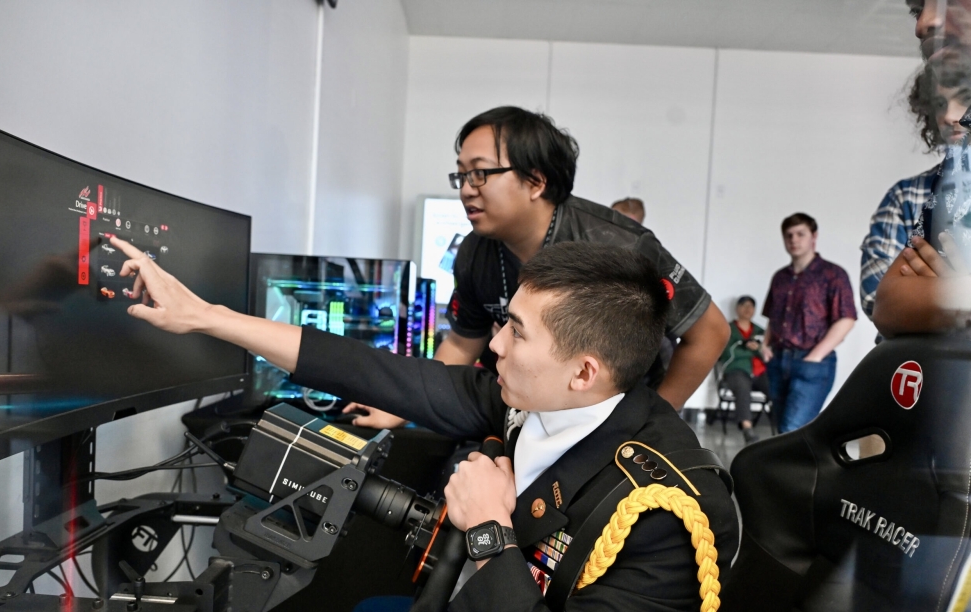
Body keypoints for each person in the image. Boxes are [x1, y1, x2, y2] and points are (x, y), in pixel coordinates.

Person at [108, 235, 739, 612]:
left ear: (584, 372)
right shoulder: (538, 393)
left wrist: (490, 530)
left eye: (515, 332)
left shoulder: (667, 514)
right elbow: (378, 374)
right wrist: (208, 317)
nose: (492, 346)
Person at [345, 107, 729, 428]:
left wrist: (655, 418)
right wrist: (401, 406)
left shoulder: (620, 246)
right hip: (530, 416)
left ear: (536, 181)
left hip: (617, 418)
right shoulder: (475, 253)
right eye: (461, 174)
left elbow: (710, 332)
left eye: (480, 173)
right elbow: (463, 343)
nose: (465, 188)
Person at [861, 47, 971, 326]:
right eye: (939, 105)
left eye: (965, 100)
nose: (949, 116)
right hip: (916, 362)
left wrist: (932, 291)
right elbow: (877, 298)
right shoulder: (905, 196)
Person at [763, 213, 857, 433]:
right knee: (780, 431)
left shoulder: (833, 274)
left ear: (814, 237)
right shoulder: (780, 277)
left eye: (800, 234)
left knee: (792, 431)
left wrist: (814, 357)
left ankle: (793, 468)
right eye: (789, 235)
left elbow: (846, 318)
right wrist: (764, 345)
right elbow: (772, 316)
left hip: (812, 365)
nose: (794, 240)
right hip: (778, 361)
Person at [718, 296, 770, 444]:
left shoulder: (761, 331)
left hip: (759, 372)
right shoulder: (727, 329)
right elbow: (726, 353)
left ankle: (787, 427)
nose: (748, 309)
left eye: (751, 306)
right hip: (736, 370)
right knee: (742, 386)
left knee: (776, 386)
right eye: (744, 305)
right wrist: (749, 349)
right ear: (737, 308)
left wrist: (759, 348)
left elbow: (769, 353)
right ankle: (747, 429)